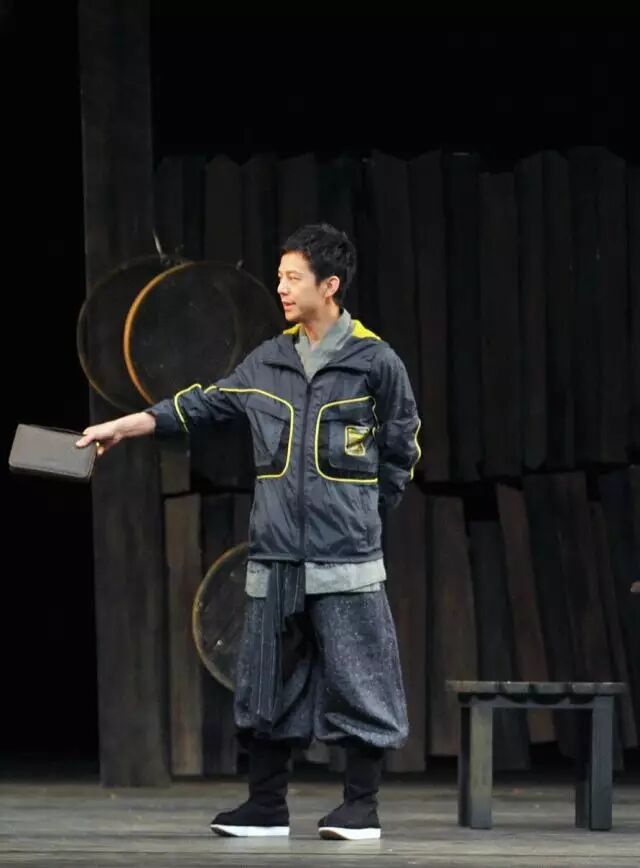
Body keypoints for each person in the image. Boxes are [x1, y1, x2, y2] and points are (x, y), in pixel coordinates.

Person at [77, 223, 421, 841]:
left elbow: (402, 446)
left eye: (293, 278)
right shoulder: (269, 361)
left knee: (361, 679)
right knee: (265, 684)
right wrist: (123, 427)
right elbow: (202, 404)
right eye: (280, 276)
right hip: (277, 556)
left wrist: (364, 514)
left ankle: (360, 807)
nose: (281, 288)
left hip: (346, 557)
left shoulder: (375, 362)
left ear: (330, 285)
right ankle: (266, 806)